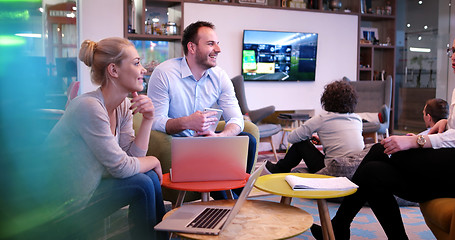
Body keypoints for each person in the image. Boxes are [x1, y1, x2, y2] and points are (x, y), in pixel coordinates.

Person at [311, 39, 455, 240]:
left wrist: (417, 141)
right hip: (445, 161)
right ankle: (350, 227)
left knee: (380, 150)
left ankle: (340, 224)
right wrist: (446, 123)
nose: (453, 57)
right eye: (452, 50)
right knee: (371, 172)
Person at [46, 37, 166, 239]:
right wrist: (154, 160)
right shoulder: (89, 107)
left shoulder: (123, 106)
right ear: (113, 70)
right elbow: (122, 167)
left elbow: (130, 155)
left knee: (150, 177)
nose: (143, 69)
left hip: (91, 188)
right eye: (136, 63)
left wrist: (148, 120)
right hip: (62, 205)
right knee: (142, 183)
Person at [147, 21, 256, 198]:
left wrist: (220, 137)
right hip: (179, 144)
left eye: (218, 43)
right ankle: (232, 206)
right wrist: (186, 122)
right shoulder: (164, 74)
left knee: (248, 140)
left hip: (208, 142)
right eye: (211, 44)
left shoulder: (220, 76)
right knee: (216, 166)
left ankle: (233, 199)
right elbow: (156, 120)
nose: (218, 49)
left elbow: (236, 119)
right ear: (192, 47)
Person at [265, 80, 364, 174]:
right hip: (356, 169)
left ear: (326, 100)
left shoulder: (322, 119)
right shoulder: (357, 119)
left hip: (333, 170)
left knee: (301, 143)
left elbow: (291, 138)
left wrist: (307, 136)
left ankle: (279, 169)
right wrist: (324, 140)